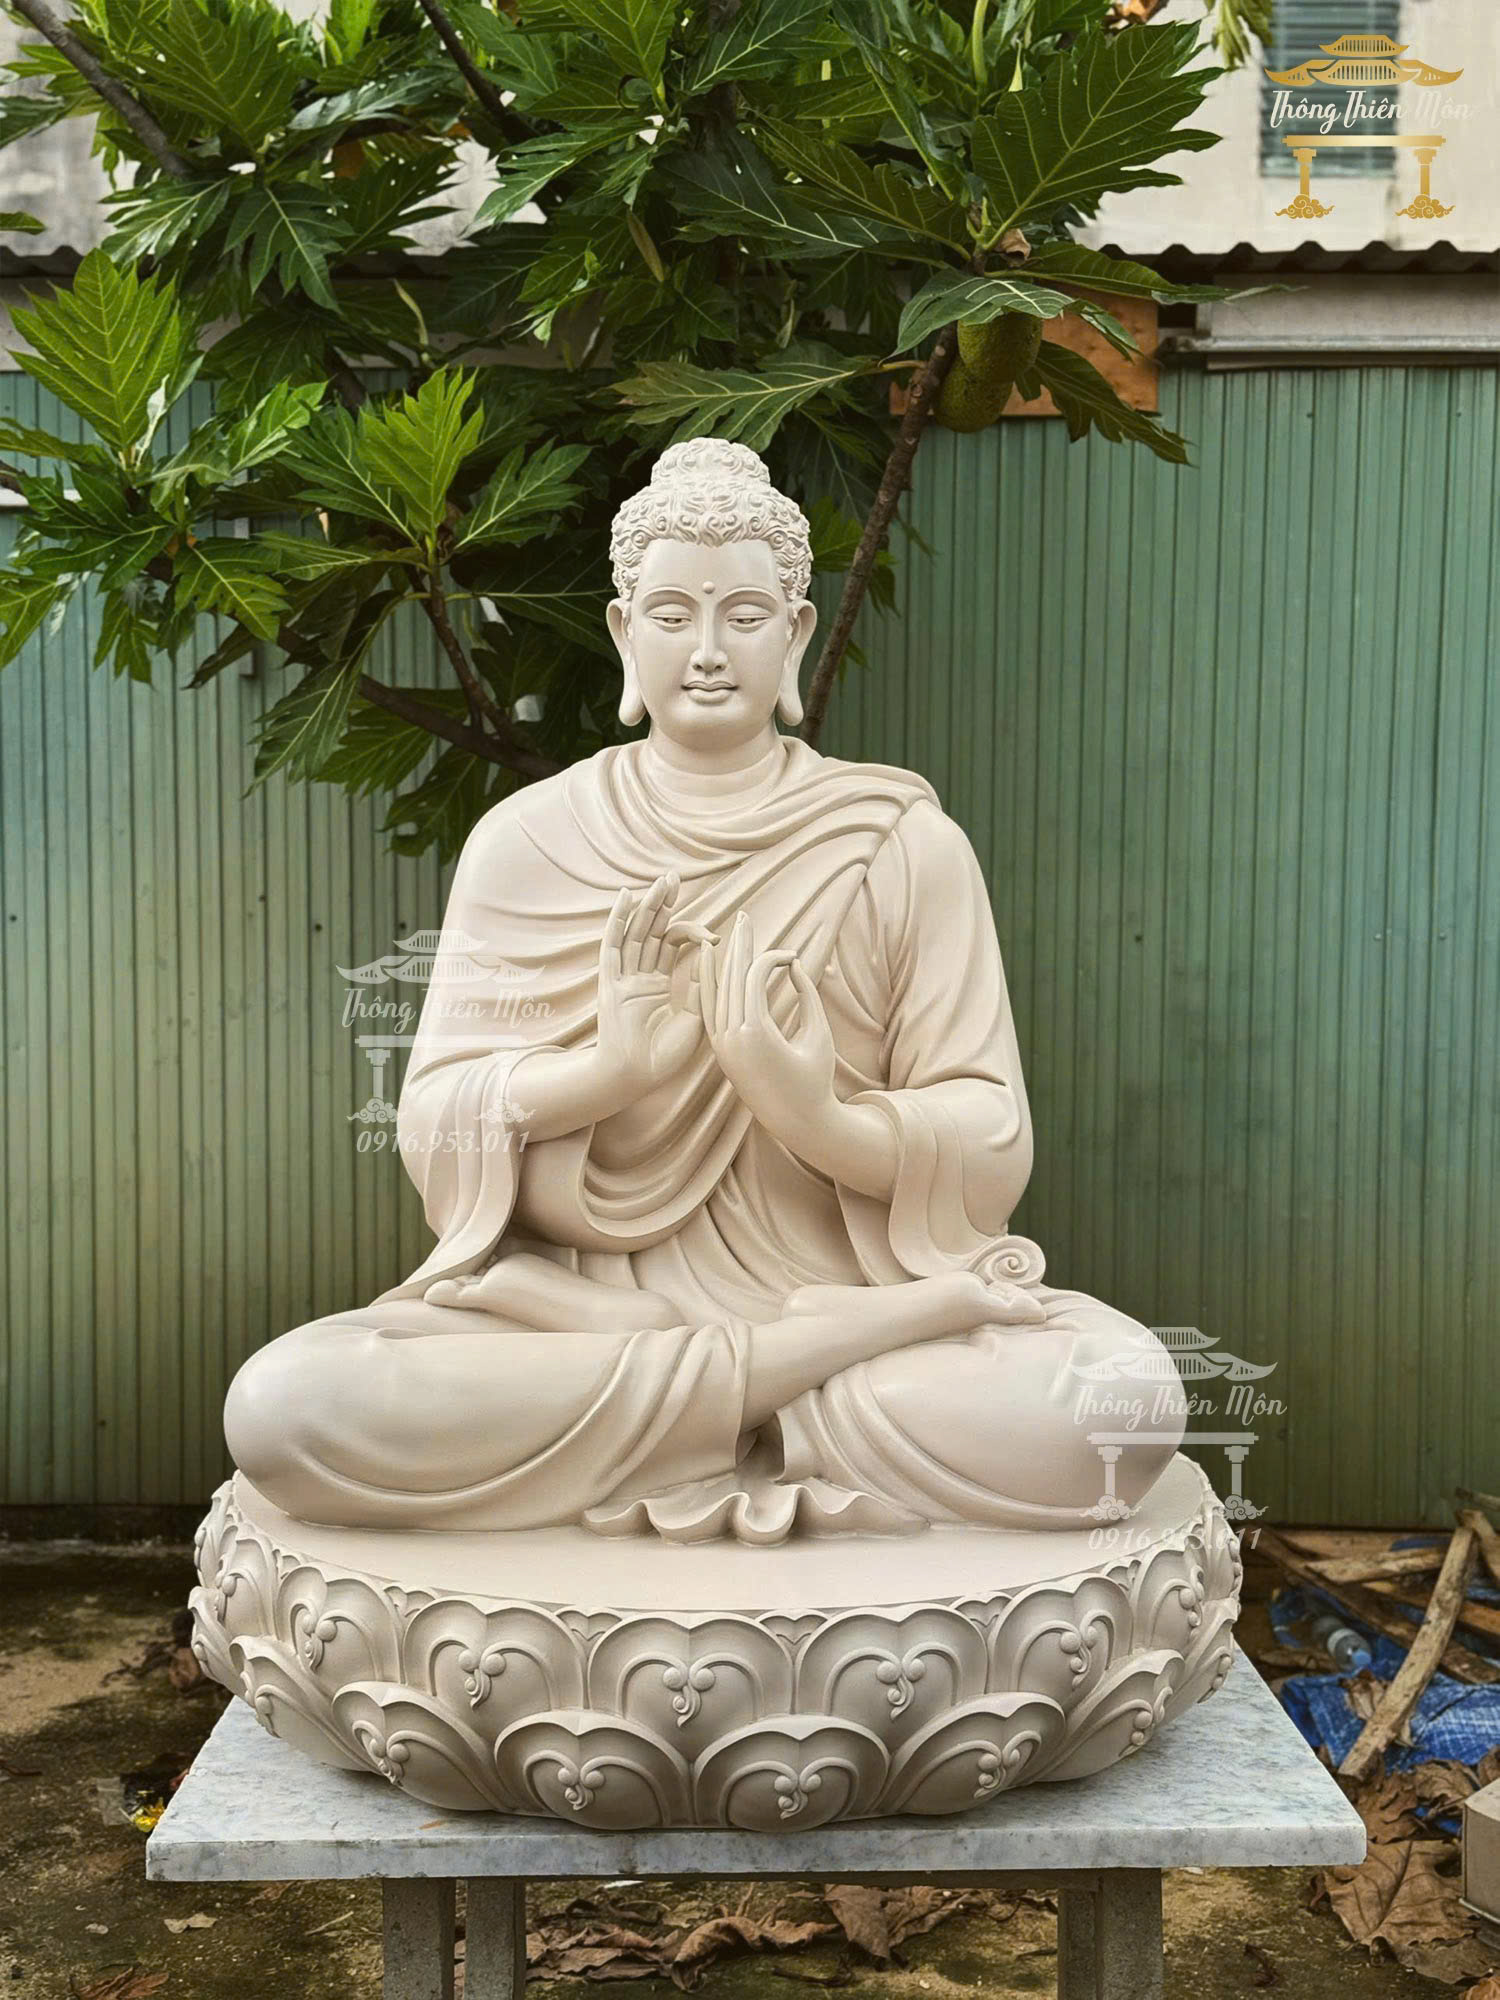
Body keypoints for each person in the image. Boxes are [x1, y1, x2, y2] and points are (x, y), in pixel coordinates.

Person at [224, 440, 1184, 1543]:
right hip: (594, 1320)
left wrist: (816, 1115)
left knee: (1116, 1410)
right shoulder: (527, 842)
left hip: (824, 1304)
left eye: (746, 615)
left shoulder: (902, 844)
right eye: (673, 615)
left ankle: (740, 1383)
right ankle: (772, 1384)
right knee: (288, 1406)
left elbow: (992, 1139)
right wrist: (605, 1074)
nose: (710, 651)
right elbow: (435, 1122)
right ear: (624, 633)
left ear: (797, 633)